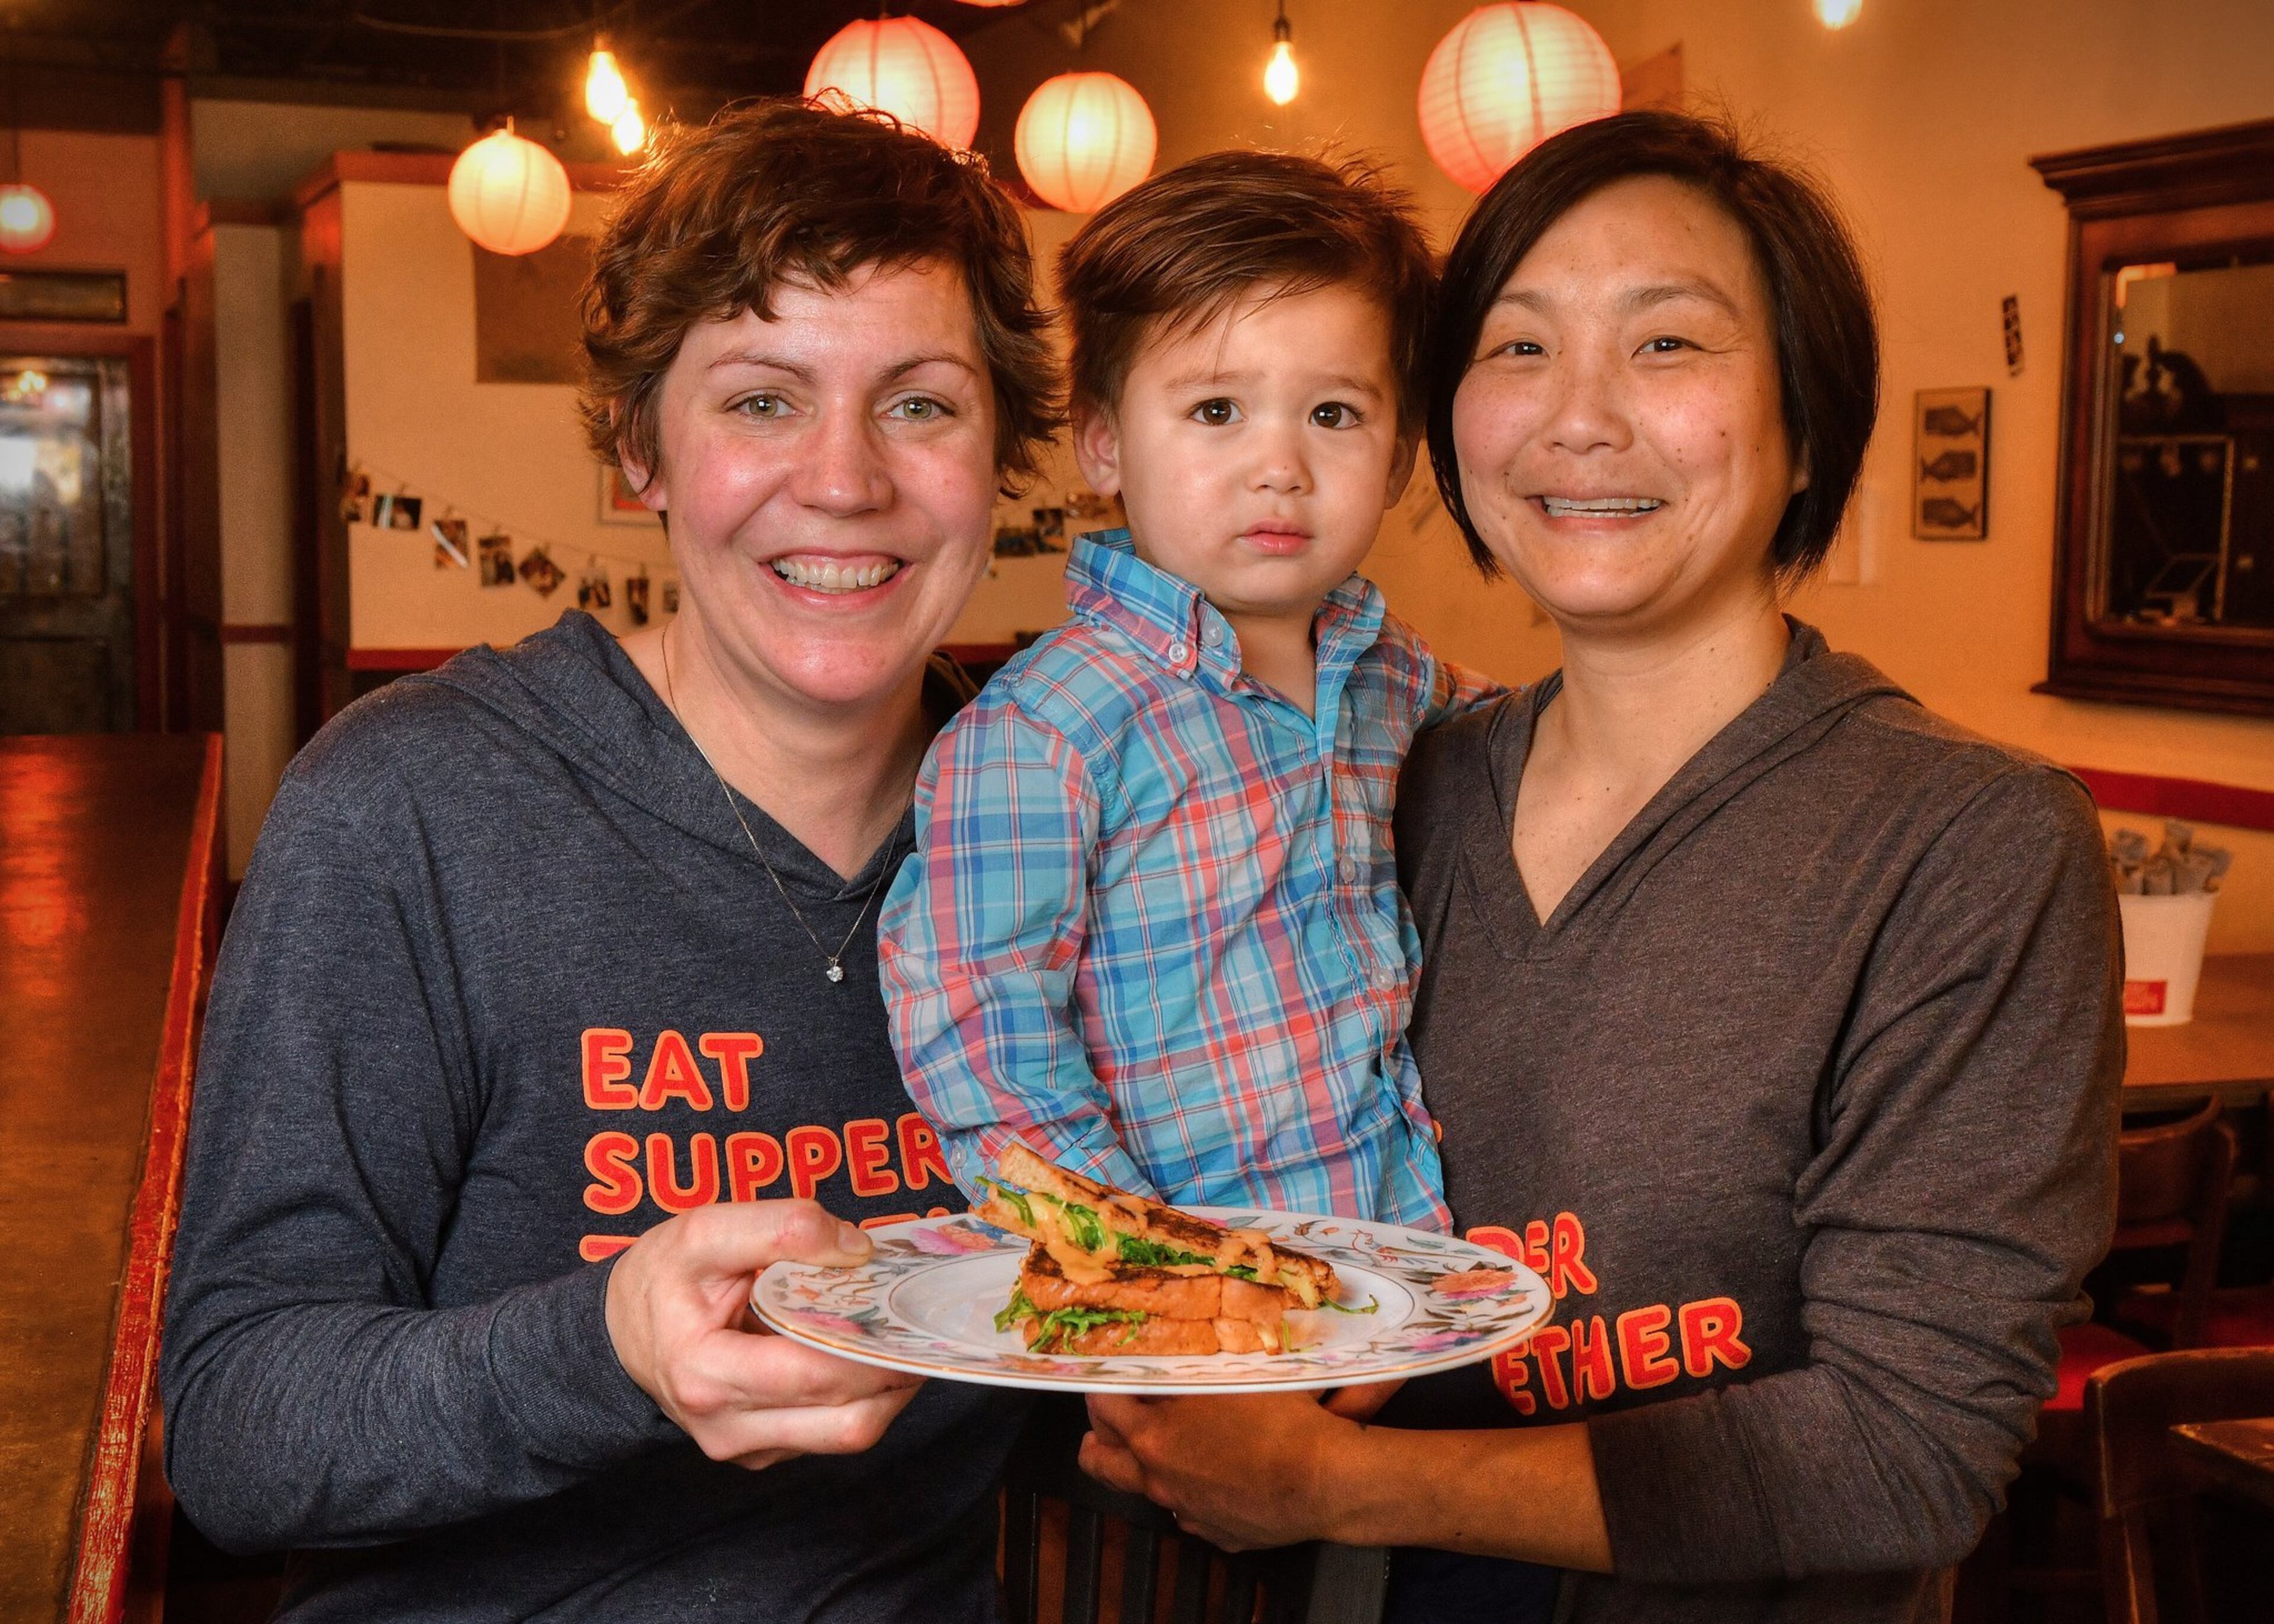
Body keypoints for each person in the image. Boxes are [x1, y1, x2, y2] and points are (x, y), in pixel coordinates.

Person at [1079, 111, 2122, 1624]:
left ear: (1808, 421)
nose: (1578, 419)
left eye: (1668, 346)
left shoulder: (1968, 843)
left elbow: (1911, 1448)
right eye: (1516, 350)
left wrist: (1337, 1484)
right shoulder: (1389, 780)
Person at [159, 100, 1058, 1620]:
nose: (844, 481)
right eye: (763, 402)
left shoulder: (1075, 832)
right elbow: (238, 1427)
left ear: (1003, 454)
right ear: (644, 449)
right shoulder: (409, 806)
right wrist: (609, 1345)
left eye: (920, 404)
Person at [880, 152, 1489, 1231]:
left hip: (1412, 1271)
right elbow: (984, 1039)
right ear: (1105, 441)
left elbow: (1547, 752)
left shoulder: (1398, 674)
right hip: (1190, 1311)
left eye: (1336, 416)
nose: (1281, 467)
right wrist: (1157, 1279)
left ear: (1399, 457)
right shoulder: (1043, 731)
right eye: (1216, 410)